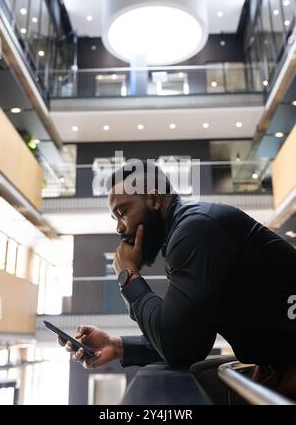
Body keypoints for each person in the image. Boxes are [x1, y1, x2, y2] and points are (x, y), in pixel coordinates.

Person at [58, 159, 296, 395]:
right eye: (115, 219)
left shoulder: (195, 230)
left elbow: (177, 345)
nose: (119, 228)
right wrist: (116, 345)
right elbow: (190, 338)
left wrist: (128, 278)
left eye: (123, 212)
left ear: (154, 198)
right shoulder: (186, 232)